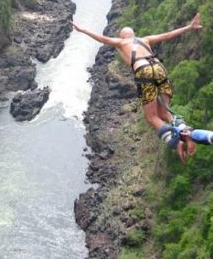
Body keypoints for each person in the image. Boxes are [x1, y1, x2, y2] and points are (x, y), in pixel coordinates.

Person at [71, 13, 203, 163]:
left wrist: (82, 29)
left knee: (152, 117)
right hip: (158, 67)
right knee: (165, 113)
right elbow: (167, 35)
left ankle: (177, 143)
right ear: (134, 34)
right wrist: (189, 27)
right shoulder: (145, 40)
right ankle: (186, 133)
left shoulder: (121, 42)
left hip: (143, 70)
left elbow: (102, 38)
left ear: (122, 35)